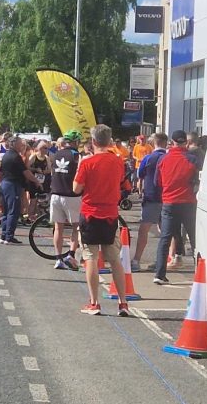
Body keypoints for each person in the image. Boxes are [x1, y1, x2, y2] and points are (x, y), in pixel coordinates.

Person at [72, 124, 129, 317]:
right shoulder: (118, 161)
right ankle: (123, 302)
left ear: (93, 141)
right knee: (115, 259)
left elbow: (76, 188)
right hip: (110, 213)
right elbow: (119, 181)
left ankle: (94, 302)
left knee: (91, 258)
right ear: (109, 140)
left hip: (90, 213)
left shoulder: (87, 162)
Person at [153, 130, 200, 285]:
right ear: (185, 142)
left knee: (165, 238)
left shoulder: (163, 159)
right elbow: (199, 179)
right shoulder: (192, 159)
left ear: (172, 142)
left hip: (169, 202)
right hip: (188, 202)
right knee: (194, 239)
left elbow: (157, 183)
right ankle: (200, 273)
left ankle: (159, 274)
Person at [135, 132, 171, 272]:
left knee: (144, 229)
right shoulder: (169, 157)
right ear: (165, 143)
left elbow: (140, 175)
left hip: (151, 196)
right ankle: (165, 260)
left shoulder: (148, 158)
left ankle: (136, 260)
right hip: (167, 197)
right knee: (166, 231)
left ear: (153, 143)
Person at [49, 132, 82, 271]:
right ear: (75, 142)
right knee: (76, 227)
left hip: (56, 193)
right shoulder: (76, 155)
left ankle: (58, 258)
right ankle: (71, 255)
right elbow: (80, 174)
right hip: (71, 194)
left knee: (58, 228)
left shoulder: (56, 154)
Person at [0, 136, 33, 244]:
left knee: (6, 211)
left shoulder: (6, 155)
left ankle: (4, 235)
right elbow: (26, 172)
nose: (21, 145)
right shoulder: (15, 156)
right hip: (12, 184)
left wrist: (0, 182)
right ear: (13, 144)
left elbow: (0, 171)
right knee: (13, 211)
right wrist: (36, 181)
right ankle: (9, 236)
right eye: (19, 143)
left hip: (5, 183)